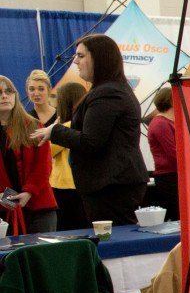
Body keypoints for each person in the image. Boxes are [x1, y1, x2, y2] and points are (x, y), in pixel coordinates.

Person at [30, 34, 146, 226]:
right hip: (108, 184)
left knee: (112, 244)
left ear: (99, 58)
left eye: (81, 56)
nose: (75, 61)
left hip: (111, 185)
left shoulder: (108, 93)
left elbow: (91, 141)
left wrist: (55, 131)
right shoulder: (108, 90)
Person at [1, 75, 57, 234]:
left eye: (9, 91)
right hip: (3, 209)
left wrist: (29, 191)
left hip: (38, 205)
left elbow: (44, 165)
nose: (5, 96)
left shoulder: (32, 125)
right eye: (0, 92)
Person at [48, 82, 89, 230]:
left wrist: (54, 127)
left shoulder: (65, 127)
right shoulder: (86, 125)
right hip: (82, 183)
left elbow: (48, 150)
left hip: (64, 185)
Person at [147, 86, 180, 220]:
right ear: (172, 102)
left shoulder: (168, 122)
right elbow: (173, 153)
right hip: (169, 176)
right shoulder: (160, 124)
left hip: (174, 174)